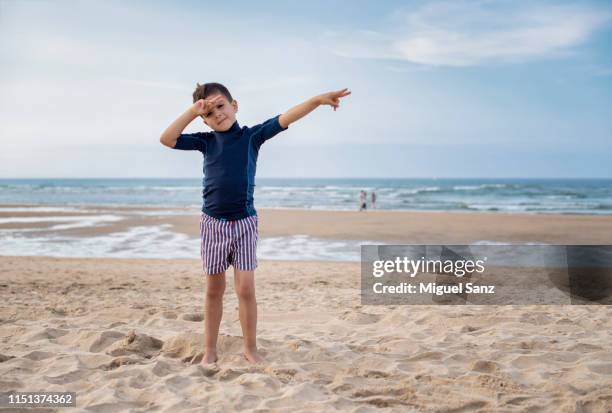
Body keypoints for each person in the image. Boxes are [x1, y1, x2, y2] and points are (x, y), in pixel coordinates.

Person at [160, 82, 351, 364]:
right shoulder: (205, 141)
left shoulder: (252, 137)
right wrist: (192, 111)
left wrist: (317, 100)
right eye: (210, 113)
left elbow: (286, 117)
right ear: (204, 119)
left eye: (221, 106)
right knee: (214, 289)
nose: (218, 115)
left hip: (245, 223)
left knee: (246, 289)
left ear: (234, 105)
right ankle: (210, 350)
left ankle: (250, 349)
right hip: (213, 224)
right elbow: (167, 138)